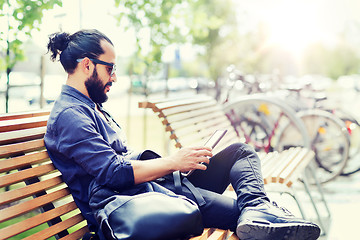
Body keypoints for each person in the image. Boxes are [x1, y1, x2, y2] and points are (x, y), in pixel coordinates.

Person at [44, 29, 321, 240]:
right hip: (134, 203)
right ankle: (260, 211)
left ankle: (258, 206)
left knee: (240, 152)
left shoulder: (88, 107)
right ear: (87, 65)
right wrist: (174, 162)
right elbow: (114, 173)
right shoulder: (71, 115)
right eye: (110, 68)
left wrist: (178, 165)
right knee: (249, 218)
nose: (114, 77)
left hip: (154, 188)